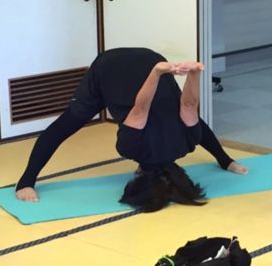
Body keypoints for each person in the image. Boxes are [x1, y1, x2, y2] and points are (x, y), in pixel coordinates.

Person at [14, 48, 247, 212]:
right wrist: (155, 73)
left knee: (189, 120)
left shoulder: (186, 140)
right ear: (139, 176)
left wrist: (194, 72)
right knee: (66, 125)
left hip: (150, 63)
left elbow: (188, 106)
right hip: (110, 68)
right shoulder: (132, 146)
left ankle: (226, 161)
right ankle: (25, 181)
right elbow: (143, 105)